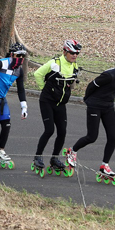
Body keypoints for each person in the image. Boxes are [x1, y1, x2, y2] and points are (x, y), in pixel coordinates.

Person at [64, 52, 115, 183]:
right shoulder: (109, 75)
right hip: (95, 105)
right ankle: (72, 151)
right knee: (92, 137)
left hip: (108, 106)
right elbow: (91, 86)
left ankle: (104, 165)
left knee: (113, 136)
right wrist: (87, 99)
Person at [30, 40, 81, 176]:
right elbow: (37, 74)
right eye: (72, 53)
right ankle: (38, 156)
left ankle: (54, 158)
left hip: (61, 104)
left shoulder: (74, 64)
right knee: (49, 130)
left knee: (62, 132)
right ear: (65, 52)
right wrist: (44, 89)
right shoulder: (55, 63)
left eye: (76, 53)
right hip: (47, 101)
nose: (74, 55)